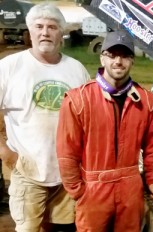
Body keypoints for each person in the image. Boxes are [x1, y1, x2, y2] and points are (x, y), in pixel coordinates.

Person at [56, 30, 153, 232]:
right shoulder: (78, 99)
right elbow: (67, 152)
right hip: (93, 189)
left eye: (124, 56)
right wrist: (78, 191)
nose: (118, 61)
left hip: (130, 187)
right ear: (102, 58)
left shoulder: (146, 100)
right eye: (112, 55)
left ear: (132, 61)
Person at [0, 3, 90, 232]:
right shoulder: (10, 67)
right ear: (30, 31)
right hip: (28, 169)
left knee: (60, 228)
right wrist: (5, 152)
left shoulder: (76, 69)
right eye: (39, 26)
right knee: (28, 227)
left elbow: (90, 117)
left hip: (67, 173)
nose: (45, 32)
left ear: (61, 33)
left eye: (52, 27)